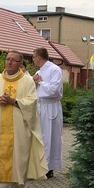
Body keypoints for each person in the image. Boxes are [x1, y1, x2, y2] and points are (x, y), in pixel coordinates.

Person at [0, 51, 47, 188]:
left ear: (20, 64)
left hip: (19, 128)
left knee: (18, 156)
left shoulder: (28, 81)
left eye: (13, 60)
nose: (9, 62)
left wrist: (14, 102)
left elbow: (32, 102)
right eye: (7, 59)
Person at [32, 47, 63, 179]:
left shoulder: (55, 70)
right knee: (41, 137)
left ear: (39, 57)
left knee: (50, 137)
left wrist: (40, 82)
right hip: (40, 106)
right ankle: (40, 166)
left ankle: (49, 167)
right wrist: (34, 83)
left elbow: (54, 90)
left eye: (33, 57)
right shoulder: (39, 71)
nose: (33, 60)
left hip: (51, 107)